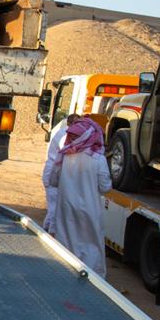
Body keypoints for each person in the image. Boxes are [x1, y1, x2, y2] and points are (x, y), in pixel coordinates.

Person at [50, 117, 113, 276]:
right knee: (91, 246)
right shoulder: (98, 159)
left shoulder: (64, 156)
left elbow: (53, 180)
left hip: (66, 209)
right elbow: (105, 187)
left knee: (66, 243)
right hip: (90, 210)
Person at [41, 114, 80, 234]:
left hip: (54, 173)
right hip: (54, 174)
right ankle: (50, 236)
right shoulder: (65, 135)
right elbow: (66, 153)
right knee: (54, 209)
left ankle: (44, 232)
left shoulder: (64, 133)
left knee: (53, 208)